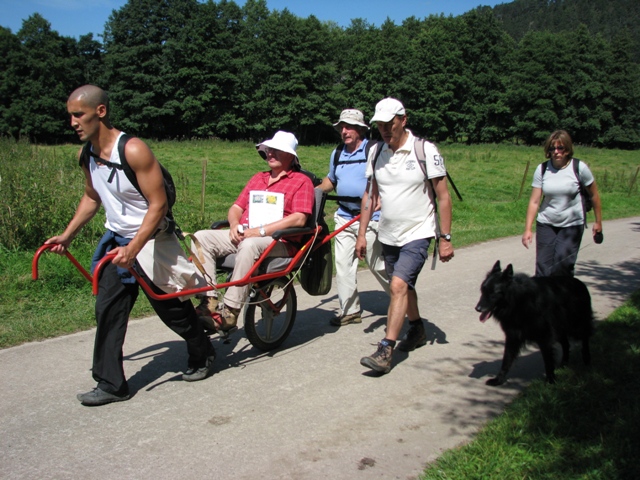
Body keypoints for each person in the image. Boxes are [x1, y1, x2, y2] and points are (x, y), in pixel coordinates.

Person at [45, 85, 216, 407]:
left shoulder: (134, 150)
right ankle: (111, 383)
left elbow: (158, 205)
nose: (72, 122)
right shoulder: (88, 155)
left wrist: (134, 247)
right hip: (116, 244)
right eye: (70, 115)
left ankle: (202, 351)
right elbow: (92, 197)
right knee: (108, 311)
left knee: (174, 312)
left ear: (101, 112)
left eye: (78, 114)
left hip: (150, 242)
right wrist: (67, 235)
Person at [355, 98, 454, 374]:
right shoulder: (375, 153)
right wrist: (362, 234)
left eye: (390, 124)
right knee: (404, 285)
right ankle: (418, 328)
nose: (385, 130)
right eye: (380, 125)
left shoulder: (424, 150)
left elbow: (443, 197)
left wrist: (444, 238)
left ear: (403, 120)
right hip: (388, 234)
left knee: (397, 286)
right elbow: (369, 195)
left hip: (418, 232)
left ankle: (386, 350)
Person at [192, 131, 315, 331]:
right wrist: (233, 225)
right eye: (269, 150)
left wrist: (259, 231)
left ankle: (230, 312)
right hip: (247, 233)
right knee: (201, 237)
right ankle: (209, 300)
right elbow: (236, 208)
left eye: (277, 150)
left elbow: (299, 218)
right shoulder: (258, 178)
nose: (270, 154)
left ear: (291, 156)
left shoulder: (302, 182)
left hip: (280, 241)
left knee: (249, 244)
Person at [318, 109, 390, 326]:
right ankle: (349, 310)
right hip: (344, 216)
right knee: (343, 264)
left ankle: (401, 296)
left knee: (376, 263)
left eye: (349, 126)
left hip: (371, 217)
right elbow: (331, 180)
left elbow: (387, 179)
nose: (344, 131)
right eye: (341, 127)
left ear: (361, 129)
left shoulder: (374, 150)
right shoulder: (337, 153)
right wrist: (313, 191)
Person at [522, 129, 603, 277]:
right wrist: (528, 229)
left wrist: (598, 222)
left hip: (571, 225)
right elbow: (534, 201)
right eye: (552, 148)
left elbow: (594, 196)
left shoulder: (579, 168)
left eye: (560, 148)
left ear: (567, 149)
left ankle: (563, 300)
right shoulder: (542, 169)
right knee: (543, 269)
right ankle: (543, 300)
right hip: (546, 224)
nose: (556, 152)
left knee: (563, 269)